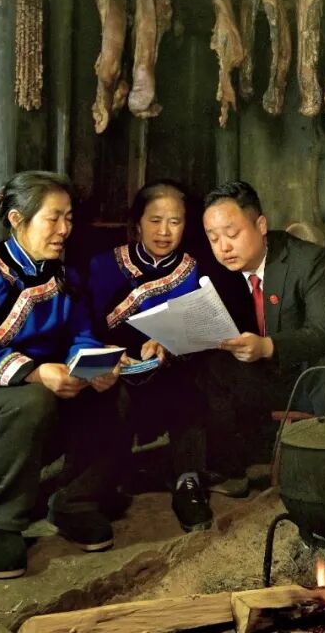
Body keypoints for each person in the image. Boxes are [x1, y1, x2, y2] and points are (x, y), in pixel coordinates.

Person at [0, 171, 128, 579]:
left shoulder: (65, 277)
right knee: (31, 398)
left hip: (32, 410)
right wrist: (35, 373)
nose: (65, 229)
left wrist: (93, 368)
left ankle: (75, 502)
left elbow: (81, 336)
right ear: (17, 219)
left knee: (111, 394)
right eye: (54, 218)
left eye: (69, 218)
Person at [198, 180, 325, 488]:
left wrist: (267, 346)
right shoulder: (216, 270)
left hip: (303, 375)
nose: (223, 247)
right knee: (207, 367)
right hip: (259, 375)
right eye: (213, 238)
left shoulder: (308, 261)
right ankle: (230, 470)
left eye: (232, 234)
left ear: (261, 225)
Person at [85, 180, 213, 532]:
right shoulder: (104, 266)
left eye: (175, 222)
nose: (164, 231)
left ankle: (188, 482)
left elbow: (201, 327)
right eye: (155, 221)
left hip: (170, 366)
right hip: (117, 365)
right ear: (138, 223)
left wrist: (170, 343)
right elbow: (87, 327)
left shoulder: (195, 269)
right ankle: (101, 483)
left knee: (190, 387)